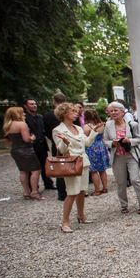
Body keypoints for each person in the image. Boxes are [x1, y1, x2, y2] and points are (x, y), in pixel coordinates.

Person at [52, 103, 102, 232]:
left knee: (81, 191)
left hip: (83, 162)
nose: (76, 113)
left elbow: (87, 143)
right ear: (64, 114)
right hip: (71, 164)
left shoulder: (78, 128)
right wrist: (65, 142)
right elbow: (61, 150)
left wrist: (94, 131)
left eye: (76, 111)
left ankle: (81, 215)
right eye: (72, 111)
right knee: (72, 192)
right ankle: (65, 222)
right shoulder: (58, 130)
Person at [103, 101, 140, 215]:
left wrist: (130, 141)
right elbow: (105, 141)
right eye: (111, 111)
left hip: (131, 155)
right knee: (121, 182)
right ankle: (124, 205)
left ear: (122, 112)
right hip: (117, 156)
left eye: (115, 110)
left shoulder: (132, 124)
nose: (113, 113)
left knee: (135, 179)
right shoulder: (108, 125)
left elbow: (139, 139)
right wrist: (112, 143)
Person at [3, 107, 44, 200]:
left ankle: (26, 192)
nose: (24, 114)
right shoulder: (22, 124)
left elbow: (8, 140)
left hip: (15, 149)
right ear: (17, 114)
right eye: (22, 113)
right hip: (26, 150)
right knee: (36, 170)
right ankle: (34, 192)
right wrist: (32, 137)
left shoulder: (7, 125)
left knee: (23, 171)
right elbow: (26, 139)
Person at [24, 98, 55, 190]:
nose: (34, 105)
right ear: (26, 106)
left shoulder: (40, 117)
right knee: (32, 167)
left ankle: (48, 184)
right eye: (31, 104)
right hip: (31, 146)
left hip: (42, 145)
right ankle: (33, 187)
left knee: (45, 165)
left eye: (35, 103)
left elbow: (46, 130)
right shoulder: (25, 118)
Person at [44, 93, 67, 201]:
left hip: (56, 143)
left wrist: (54, 139)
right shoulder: (69, 113)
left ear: (54, 101)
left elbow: (46, 132)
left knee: (60, 169)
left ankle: (62, 193)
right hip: (64, 144)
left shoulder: (47, 115)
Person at [83, 109, 110, 195]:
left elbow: (86, 139)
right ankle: (105, 188)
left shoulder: (86, 126)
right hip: (101, 147)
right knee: (102, 170)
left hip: (92, 148)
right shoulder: (101, 124)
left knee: (94, 171)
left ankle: (97, 190)